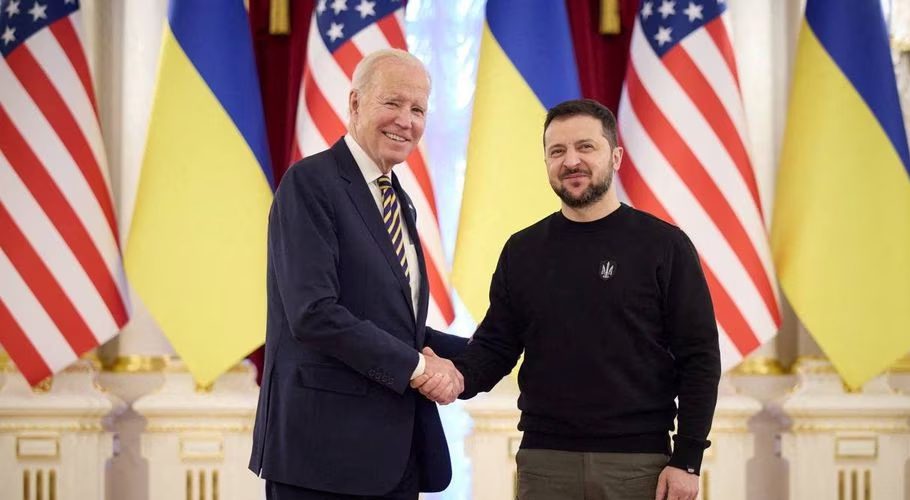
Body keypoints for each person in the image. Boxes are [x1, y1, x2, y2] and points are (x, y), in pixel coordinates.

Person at [416, 98, 721, 500]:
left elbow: (700, 358)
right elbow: (495, 348)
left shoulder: (664, 246)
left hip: (639, 465)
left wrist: (687, 459)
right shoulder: (522, 251)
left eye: (585, 147)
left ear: (615, 156)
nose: (571, 160)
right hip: (544, 462)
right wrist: (452, 374)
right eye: (557, 151)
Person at [249, 49, 468, 500]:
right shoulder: (310, 183)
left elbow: (392, 322)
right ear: (354, 104)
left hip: (394, 458)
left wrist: (493, 350)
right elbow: (314, 313)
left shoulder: (398, 199)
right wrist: (422, 368)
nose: (405, 121)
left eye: (418, 109)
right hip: (323, 459)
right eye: (392, 103)